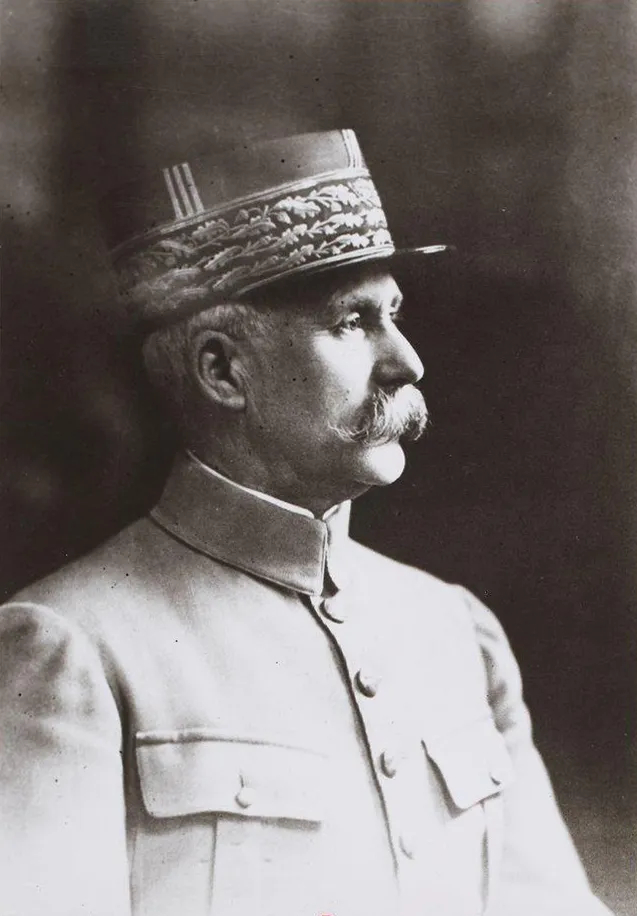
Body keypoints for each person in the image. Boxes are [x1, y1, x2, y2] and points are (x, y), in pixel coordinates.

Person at [0, 130, 612, 916]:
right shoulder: (72, 649)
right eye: (353, 321)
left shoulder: (456, 631)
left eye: (394, 313)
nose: (407, 361)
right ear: (223, 370)